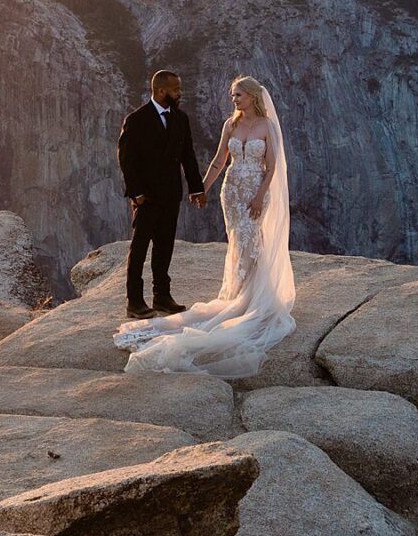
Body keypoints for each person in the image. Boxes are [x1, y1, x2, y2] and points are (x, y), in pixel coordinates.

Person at [112, 75, 296, 379]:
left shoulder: (267, 126)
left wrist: (261, 195)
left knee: (253, 241)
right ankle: (234, 294)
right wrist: (204, 189)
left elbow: (273, 166)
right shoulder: (230, 125)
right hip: (232, 191)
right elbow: (217, 161)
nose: (233, 99)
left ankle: (253, 297)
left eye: (238, 95)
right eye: (232, 95)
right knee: (237, 241)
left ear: (252, 96)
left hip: (255, 192)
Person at [116, 69, 206, 318]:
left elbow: (188, 156)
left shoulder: (181, 119)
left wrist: (196, 188)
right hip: (147, 197)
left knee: (164, 246)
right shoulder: (137, 119)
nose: (180, 94)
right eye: (176, 90)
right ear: (161, 91)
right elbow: (126, 160)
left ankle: (162, 297)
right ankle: (134, 302)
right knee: (140, 248)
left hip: (171, 195)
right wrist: (136, 193)